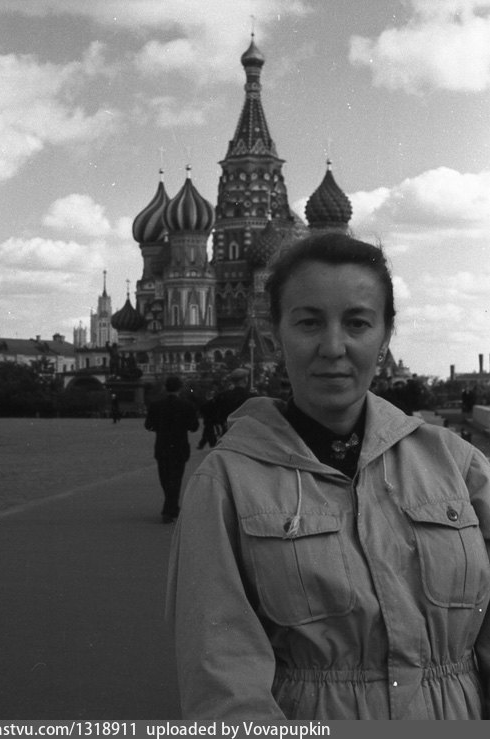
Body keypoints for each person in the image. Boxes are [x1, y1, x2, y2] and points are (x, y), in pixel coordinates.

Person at [166, 232, 490, 720]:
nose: (333, 347)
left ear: (385, 336)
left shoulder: (457, 464)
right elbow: (222, 679)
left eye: (357, 323)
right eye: (309, 322)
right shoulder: (227, 482)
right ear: (275, 334)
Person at [145, 375, 199, 524]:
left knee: (165, 478)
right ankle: (170, 509)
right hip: (179, 446)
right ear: (179, 388)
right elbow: (194, 427)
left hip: (162, 446)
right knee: (176, 478)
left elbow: (148, 425)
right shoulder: (186, 405)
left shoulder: (156, 405)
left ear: (165, 388)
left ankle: (170, 508)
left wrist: (159, 427)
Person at [214, 368, 254, 435]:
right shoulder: (251, 397)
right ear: (245, 380)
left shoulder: (222, 396)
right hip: (246, 433)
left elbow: (217, 415)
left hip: (228, 433)